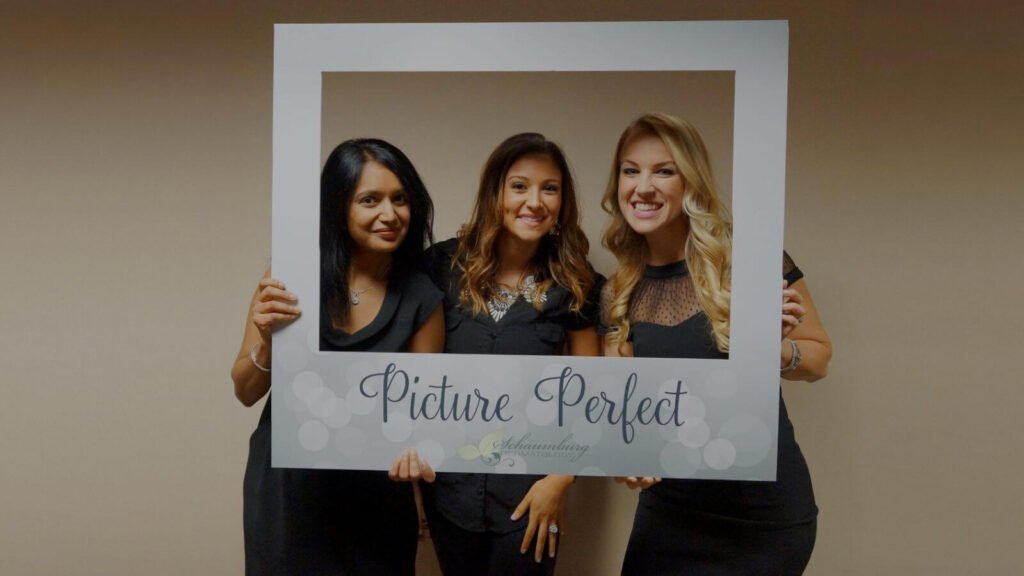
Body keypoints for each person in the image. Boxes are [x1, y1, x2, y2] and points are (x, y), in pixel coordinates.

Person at [599, 113, 833, 575]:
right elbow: (624, 409)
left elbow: (819, 358)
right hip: (669, 512)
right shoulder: (616, 292)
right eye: (630, 170)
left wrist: (770, 351)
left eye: (663, 171)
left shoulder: (750, 262)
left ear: (690, 180)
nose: (643, 187)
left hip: (762, 518)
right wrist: (628, 456)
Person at [230, 138, 445, 576]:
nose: (390, 214)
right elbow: (246, 391)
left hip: (376, 495)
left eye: (400, 199)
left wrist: (419, 483)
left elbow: (420, 419)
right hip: (289, 488)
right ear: (338, 207)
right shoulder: (290, 277)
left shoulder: (423, 297)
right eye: (370, 200)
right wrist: (269, 341)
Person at [421, 133, 601, 576]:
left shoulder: (576, 284)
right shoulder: (441, 266)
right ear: (495, 193)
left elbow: (591, 395)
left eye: (550, 189)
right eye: (519, 186)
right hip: (449, 492)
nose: (534, 201)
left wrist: (560, 479)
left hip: (530, 497)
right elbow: (416, 376)